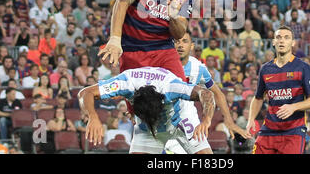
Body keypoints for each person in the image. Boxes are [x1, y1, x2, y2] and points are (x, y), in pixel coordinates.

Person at [78, 66, 215, 154]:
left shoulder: (171, 86)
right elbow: (85, 93)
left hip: (181, 120)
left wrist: (207, 120)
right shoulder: (126, 82)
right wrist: (93, 117)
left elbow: (207, 94)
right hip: (146, 128)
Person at [164, 32, 250, 153]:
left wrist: (229, 122)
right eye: (177, 41)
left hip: (186, 116)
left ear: (192, 46)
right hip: (162, 115)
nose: (180, 45)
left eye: (185, 41)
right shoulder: (162, 63)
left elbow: (218, 93)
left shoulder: (198, 67)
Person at [246, 26, 310, 154]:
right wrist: (251, 119)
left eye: (286, 38)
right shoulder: (265, 69)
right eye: (278, 37)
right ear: (273, 42)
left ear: (292, 43)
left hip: (293, 131)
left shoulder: (303, 67)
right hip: (269, 129)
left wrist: (293, 107)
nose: (282, 41)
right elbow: (258, 98)